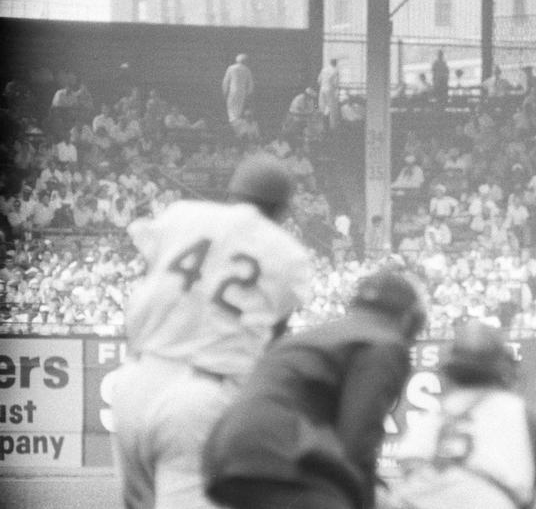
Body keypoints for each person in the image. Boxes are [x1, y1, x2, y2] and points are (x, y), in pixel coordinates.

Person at [109, 153, 312, 509]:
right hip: (202, 393)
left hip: (135, 380)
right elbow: (273, 337)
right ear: (283, 210)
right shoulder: (288, 254)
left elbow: (154, 278)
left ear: (232, 193)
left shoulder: (183, 214)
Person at [202, 270, 427, 509]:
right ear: (408, 318)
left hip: (226, 451)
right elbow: (357, 440)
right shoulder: (385, 343)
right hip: (282, 452)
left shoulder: (318, 335)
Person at [381, 321, 536, 509]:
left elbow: (409, 467)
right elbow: (528, 499)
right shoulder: (528, 420)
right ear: (503, 369)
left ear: (449, 372)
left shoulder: (429, 419)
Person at [222, 53, 254, 124]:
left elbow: (226, 81)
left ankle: (233, 123)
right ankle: (236, 122)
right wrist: (249, 93)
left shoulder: (231, 68)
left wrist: (224, 91)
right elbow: (250, 83)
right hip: (242, 92)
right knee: (238, 108)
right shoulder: (247, 70)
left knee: (231, 108)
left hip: (232, 91)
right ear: (245, 61)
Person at [317, 58, 340, 130]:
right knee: (332, 107)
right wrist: (336, 89)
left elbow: (319, 80)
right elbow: (335, 83)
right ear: (335, 63)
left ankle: (322, 126)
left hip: (322, 89)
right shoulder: (335, 71)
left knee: (322, 107)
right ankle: (332, 126)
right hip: (330, 89)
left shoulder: (324, 70)